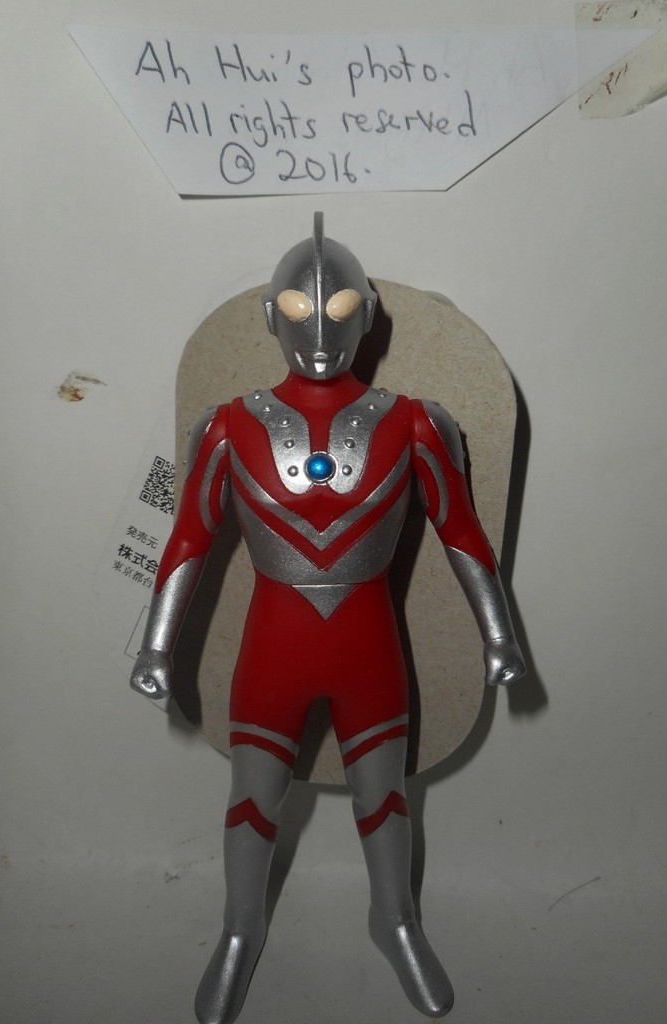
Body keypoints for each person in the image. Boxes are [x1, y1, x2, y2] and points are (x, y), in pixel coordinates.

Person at [130, 214, 525, 1024]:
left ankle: (396, 919)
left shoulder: (415, 422)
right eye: (299, 310)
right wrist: (157, 645)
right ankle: (240, 929)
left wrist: (499, 634)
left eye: (340, 309)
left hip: (367, 649)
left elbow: (463, 533)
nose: (320, 331)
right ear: (269, 317)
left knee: (385, 799)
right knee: (253, 800)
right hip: (274, 650)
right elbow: (187, 539)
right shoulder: (228, 426)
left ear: (369, 315)